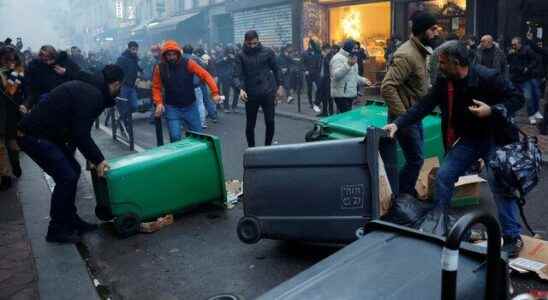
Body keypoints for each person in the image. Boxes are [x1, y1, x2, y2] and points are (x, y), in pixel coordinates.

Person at [384, 41, 525, 257]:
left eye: (442, 62)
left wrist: (492, 110)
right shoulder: (445, 82)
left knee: (499, 182)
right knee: (444, 175)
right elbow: (424, 106)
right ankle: (441, 223)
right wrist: (398, 123)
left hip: (493, 137)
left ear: (456, 63)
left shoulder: (488, 77)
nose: (439, 66)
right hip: (467, 140)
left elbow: (517, 98)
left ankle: (513, 236)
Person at [17, 64, 125, 243]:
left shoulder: (91, 90)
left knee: (73, 169)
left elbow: (77, 128)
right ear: (115, 83)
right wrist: (98, 160)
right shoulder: (93, 95)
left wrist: (90, 157)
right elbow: (80, 133)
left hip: (48, 135)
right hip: (34, 135)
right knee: (66, 176)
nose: (120, 89)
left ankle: (71, 220)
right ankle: (56, 229)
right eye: (120, 86)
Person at [380, 11, 438, 197]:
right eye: (432, 29)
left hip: (414, 115)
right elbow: (387, 87)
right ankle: (402, 196)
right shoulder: (407, 55)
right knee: (416, 159)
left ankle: (404, 192)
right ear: (421, 31)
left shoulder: (421, 51)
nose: (436, 33)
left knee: (416, 158)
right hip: (406, 116)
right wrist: (404, 116)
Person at [151, 40, 220, 142]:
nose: (171, 57)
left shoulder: (188, 63)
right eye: (169, 55)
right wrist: (159, 103)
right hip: (172, 107)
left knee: (198, 136)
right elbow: (156, 87)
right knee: (175, 137)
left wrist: (215, 93)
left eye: (174, 54)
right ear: (164, 55)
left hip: (190, 106)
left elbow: (205, 75)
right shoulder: (160, 68)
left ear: (178, 53)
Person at [234, 30, 284, 147]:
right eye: (249, 44)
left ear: (258, 40)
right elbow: (237, 75)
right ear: (245, 42)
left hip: (268, 92)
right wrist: (240, 89)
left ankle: (268, 147)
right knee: (250, 125)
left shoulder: (268, 52)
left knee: (270, 121)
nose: (252, 46)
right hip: (250, 94)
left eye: (255, 43)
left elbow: (277, 69)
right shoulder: (240, 55)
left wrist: (280, 85)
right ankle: (252, 148)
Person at [25, 45, 81, 109]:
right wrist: (27, 104)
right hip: (45, 102)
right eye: (45, 60)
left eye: (50, 59)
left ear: (54, 56)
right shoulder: (39, 66)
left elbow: (79, 76)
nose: (48, 62)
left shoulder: (65, 61)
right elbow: (34, 89)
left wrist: (66, 72)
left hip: (64, 101)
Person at [330, 39, 372, 114]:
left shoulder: (352, 57)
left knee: (345, 116)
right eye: (354, 48)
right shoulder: (338, 58)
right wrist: (348, 65)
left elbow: (353, 75)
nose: (356, 50)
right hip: (341, 94)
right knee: (345, 116)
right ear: (348, 47)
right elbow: (336, 75)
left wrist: (363, 80)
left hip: (349, 93)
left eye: (357, 48)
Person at [508, 37, 543, 124]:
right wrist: (510, 55)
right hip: (514, 78)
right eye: (512, 44)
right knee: (512, 98)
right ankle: (512, 116)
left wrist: (528, 68)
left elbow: (535, 60)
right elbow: (509, 62)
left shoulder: (527, 50)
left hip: (525, 78)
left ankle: (531, 114)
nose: (513, 46)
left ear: (519, 44)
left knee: (529, 97)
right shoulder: (512, 52)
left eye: (515, 44)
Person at [116, 41, 142, 124]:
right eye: (133, 49)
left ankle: (125, 117)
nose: (135, 51)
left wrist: (141, 75)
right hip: (124, 85)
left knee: (135, 106)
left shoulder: (135, 58)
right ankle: (124, 120)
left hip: (132, 85)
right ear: (129, 48)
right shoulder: (122, 58)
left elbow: (138, 69)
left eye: (136, 49)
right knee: (123, 105)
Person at [216, 47, 238, 112]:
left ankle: (234, 106)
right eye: (229, 52)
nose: (230, 53)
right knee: (226, 93)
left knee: (237, 91)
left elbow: (237, 65)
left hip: (233, 77)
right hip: (225, 77)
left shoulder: (234, 57)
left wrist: (234, 59)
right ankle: (226, 107)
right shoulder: (222, 56)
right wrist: (224, 59)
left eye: (232, 51)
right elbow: (216, 62)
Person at [303, 39, 322, 112]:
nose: (311, 46)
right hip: (309, 74)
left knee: (319, 87)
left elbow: (320, 62)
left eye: (312, 44)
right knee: (309, 89)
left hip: (316, 73)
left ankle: (317, 102)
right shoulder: (305, 53)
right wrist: (305, 70)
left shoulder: (317, 53)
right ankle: (311, 102)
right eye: (310, 44)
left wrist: (319, 70)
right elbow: (302, 63)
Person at [317, 44, 334, 117]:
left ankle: (331, 112)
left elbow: (330, 65)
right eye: (323, 50)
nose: (324, 51)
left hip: (328, 79)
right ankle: (324, 112)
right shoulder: (322, 56)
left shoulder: (331, 56)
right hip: (322, 78)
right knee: (323, 96)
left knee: (329, 96)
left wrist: (325, 57)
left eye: (325, 50)